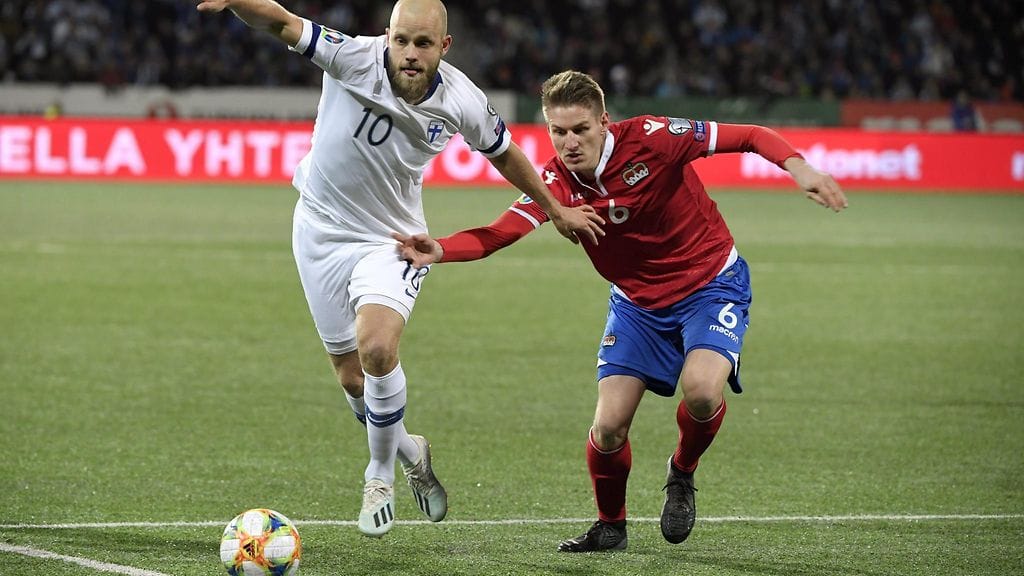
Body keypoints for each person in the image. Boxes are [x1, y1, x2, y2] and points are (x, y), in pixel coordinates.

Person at [193, 0, 605, 538]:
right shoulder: (350, 58)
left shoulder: (462, 99)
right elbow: (280, 21)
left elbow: (505, 155)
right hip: (318, 229)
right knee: (351, 379)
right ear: (386, 36)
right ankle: (411, 450)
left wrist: (555, 209)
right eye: (402, 41)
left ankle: (379, 476)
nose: (410, 54)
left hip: (392, 240)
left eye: (424, 44)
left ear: (445, 47)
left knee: (379, 349)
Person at [395, 70, 848, 551]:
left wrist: (802, 169)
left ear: (604, 122)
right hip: (636, 305)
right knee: (608, 428)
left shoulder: (654, 138)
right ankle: (611, 526)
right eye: (558, 131)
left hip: (711, 285)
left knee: (700, 392)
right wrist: (439, 249)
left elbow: (751, 135)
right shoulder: (553, 182)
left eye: (580, 129)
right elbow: (498, 234)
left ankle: (682, 472)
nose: (569, 143)